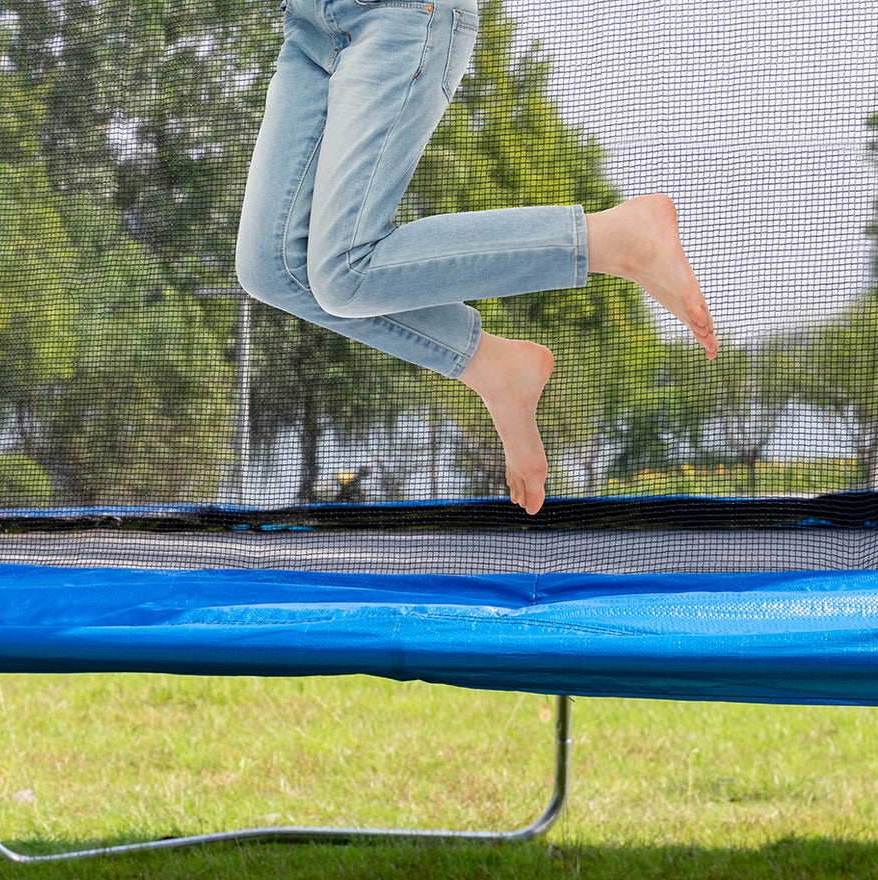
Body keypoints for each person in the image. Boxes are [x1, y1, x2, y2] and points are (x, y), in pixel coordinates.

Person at [235, 0, 717, 515]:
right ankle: (496, 367)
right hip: (309, 26)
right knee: (270, 265)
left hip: (397, 15)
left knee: (344, 271)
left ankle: (608, 239)